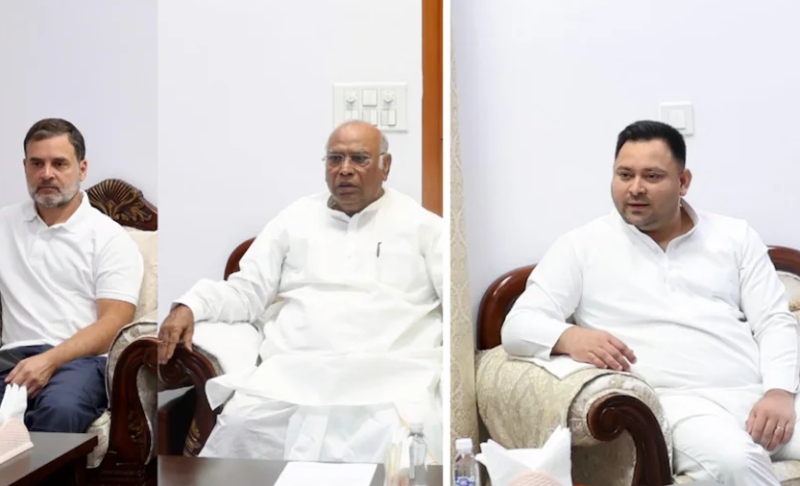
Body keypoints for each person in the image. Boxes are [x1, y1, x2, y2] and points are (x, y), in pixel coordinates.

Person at [502, 120, 800, 485]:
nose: (635, 188)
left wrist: (779, 391)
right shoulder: (581, 247)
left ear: (683, 182)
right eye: (624, 175)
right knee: (734, 461)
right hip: (682, 407)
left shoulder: (734, 236)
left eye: (652, 176)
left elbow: (773, 320)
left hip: (759, 396)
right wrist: (570, 337)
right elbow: (517, 325)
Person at [158, 120, 443, 463]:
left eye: (359, 159)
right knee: (240, 425)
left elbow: (454, 303)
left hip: (388, 376)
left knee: (403, 438)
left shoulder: (424, 226)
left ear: (386, 166)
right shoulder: (294, 219)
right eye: (335, 159)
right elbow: (247, 291)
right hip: (294, 373)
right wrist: (191, 305)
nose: (345, 169)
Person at [0, 118, 144, 432]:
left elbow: (113, 322)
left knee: (60, 410)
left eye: (59, 163)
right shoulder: (4, 224)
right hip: (10, 360)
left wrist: (50, 360)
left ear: (82, 168)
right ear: (25, 167)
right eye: (37, 163)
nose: (46, 173)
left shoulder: (109, 237)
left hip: (80, 362)